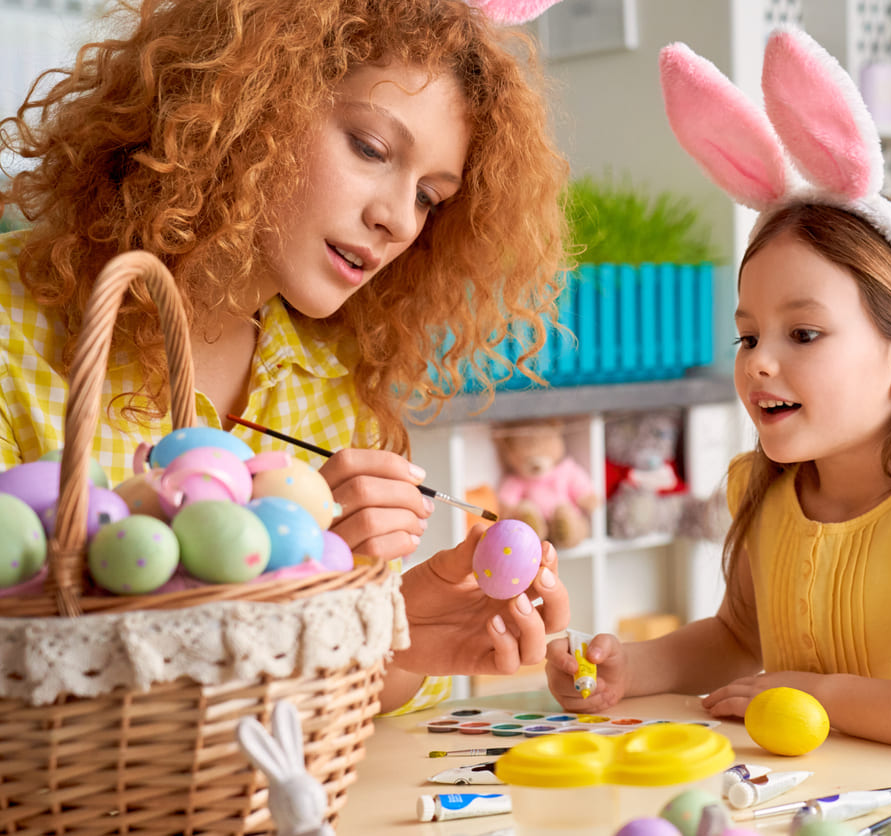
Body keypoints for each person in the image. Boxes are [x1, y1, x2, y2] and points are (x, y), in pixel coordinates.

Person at [0, 0, 572, 714]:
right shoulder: (14, 325)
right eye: (369, 148)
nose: (397, 219)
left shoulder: (329, 378)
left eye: (429, 197)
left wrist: (399, 638)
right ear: (252, 104)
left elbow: (299, 719)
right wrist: (279, 578)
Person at [545, 29, 891, 758]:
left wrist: (815, 694)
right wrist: (629, 669)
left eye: (803, 335)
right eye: (748, 336)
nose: (760, 362)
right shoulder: (770, 494)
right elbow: (738, 638)